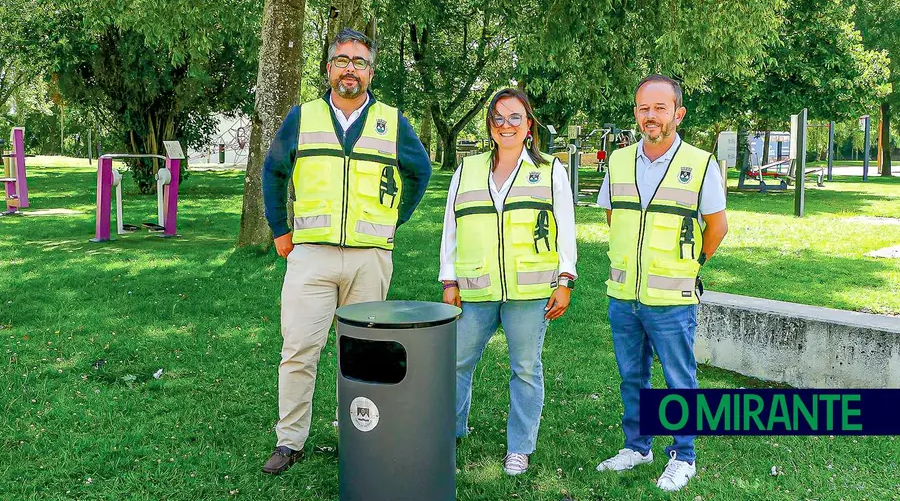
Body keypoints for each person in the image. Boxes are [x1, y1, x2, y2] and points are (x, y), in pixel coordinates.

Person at [260, 28, 432, 475]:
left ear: (370, 72)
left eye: (359, 61)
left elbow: (420, 171)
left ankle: (356, 437)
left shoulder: (393, 121)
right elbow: (274, 170)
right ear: (328, 68)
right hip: (310, 256)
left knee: (363, 353)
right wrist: (281, 229)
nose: (349, 68)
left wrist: (394, 218)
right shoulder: (303, 116)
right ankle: (290, 441)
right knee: (299, 349)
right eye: (342, 60)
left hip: (368, 257)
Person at [593, 74, 728, 492]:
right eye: (643, 108)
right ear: (636, 113)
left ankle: (683, 456)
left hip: (672, 297)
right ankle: (638, 446)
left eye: (659, 108)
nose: (650, 116)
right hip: (624, 295)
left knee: (678, 378)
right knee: (632, 376)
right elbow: (613, 215)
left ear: (678, 113)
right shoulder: (617, 161)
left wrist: (693, 264)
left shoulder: (701, 163)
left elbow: (718, 226)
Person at [440, 88, 578, 476]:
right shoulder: (467, 170)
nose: (506, 125)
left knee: (525, 368)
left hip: (530, 292)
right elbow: (450, 228)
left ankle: (519, 447)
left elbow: (566, 228)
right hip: (475, 288)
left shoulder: (551, 170)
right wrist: (449, 279)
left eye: (515, 117)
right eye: (498, 118)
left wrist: (566, 277)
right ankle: (449, 431)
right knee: (455, 362)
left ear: (529, 124)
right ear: (489, 125)